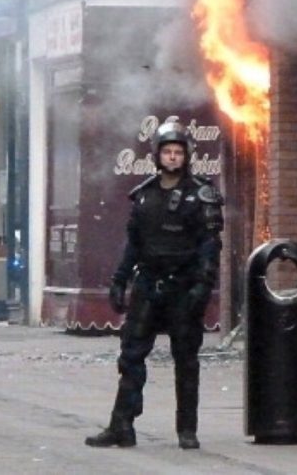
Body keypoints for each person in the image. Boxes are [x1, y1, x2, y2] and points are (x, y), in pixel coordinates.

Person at [85, 120, 224, 450]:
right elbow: (132, 244)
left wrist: (202, 287)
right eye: (167, 152)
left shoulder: (201, 195)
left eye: (178, 152)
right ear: (157, 156)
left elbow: (209, 246)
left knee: (186, 359)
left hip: (184, 285)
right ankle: (121, 425)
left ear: (187, 155)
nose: (173, 158)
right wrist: (119, 280)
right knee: (131, 355)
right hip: (148, 283)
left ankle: (187, 429)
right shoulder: (144, 196)